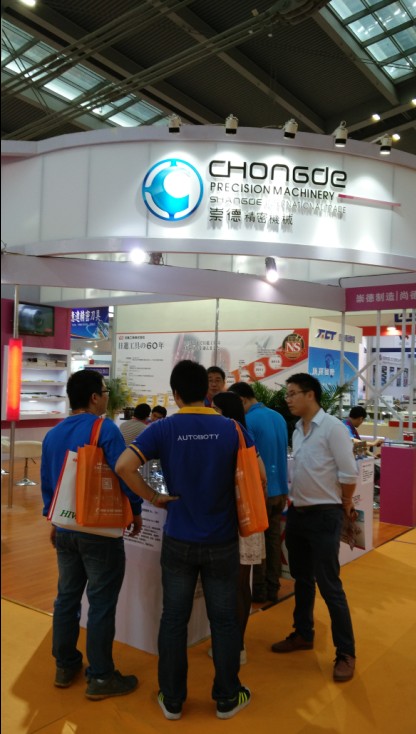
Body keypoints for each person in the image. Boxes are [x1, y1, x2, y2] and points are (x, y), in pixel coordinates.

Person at [116, 360, 251, 721]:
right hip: (222, 539)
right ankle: (227, 697)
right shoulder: (233, 428)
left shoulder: (164, 428)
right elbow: (257, 479)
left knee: (174, 619)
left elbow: (124, 466)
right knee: (224, 620)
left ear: (175, 394)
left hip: (178, 537)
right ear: (207, 391)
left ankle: (172, 700)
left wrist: (153, 497)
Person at [40, 369, 146, 700]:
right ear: (94, 397)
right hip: (99, 529)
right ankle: (101, 676)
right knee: (100, 602)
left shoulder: (53, 434)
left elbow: (49, 484)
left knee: (66, 597)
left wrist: (54, 521)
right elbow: (123, 473)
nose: (106, 397)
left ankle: (64, 665)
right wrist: (136, 510)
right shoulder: (104, 428)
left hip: (65, 528)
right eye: (104, 391)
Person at [271, 373, 358, 682]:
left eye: (293, 393)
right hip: (298, 513)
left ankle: (346, 652)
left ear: (310, 395)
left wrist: (345, 504)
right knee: (302, 579)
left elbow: (349, 474)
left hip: (324, 515)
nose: (288, 399)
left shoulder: (333, 428)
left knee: (329, 585)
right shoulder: (297, 429)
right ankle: (303, 633)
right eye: (287, 394)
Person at [212, 390, 267, 665]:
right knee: (240, 584)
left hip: (233, 518)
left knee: (233, 585)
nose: (211, 413)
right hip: (248, 515)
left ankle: (233, 646)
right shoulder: (246, 437)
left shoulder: (226, 436)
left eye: (215, 409)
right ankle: (237, 644)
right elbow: (262, 478)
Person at [228, 381, 288, 603]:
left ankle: (259, 589)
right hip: (281, 489)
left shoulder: (248, 421)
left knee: (258, 543)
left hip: (261, 491)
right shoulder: (279, 417)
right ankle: (273, 587)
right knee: (272, 541)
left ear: (242, 400)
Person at [343, 406, 383, 485]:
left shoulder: (350, 426)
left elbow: (358, 446)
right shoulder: (345, 426)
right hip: (347, 464)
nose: (361, 423)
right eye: (363, 420)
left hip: (353, 461)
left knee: (377, 471)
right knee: (376, 472)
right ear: (361, 418)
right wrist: (373, 443)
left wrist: (372, 456)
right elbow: (352, 441)